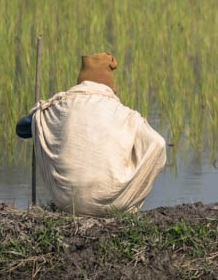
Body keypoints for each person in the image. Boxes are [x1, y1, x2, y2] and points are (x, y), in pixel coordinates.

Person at [16, 53, 166, 216]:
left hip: (67, 203)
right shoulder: (126, 116)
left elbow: (22, 129)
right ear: (110, 85)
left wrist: (39, 114)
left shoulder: (59, 107)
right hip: (113, 204)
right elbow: (158, 143)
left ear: (81, 81)